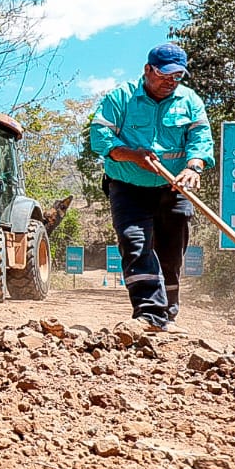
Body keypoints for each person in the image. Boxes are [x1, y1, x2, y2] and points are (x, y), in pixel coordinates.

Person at [89, 42, 214, 333]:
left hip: (173, 189)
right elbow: (99, 137)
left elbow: (201, 140)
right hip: (128, 185)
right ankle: (148, 314)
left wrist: (193, 167)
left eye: (177, 76)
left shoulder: (190, 101)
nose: (170, 82)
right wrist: (132, 155)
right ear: (148, 70)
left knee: (171, 254)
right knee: (136, 244)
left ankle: (167, 315)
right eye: (164, 75)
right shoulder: (120, 98)